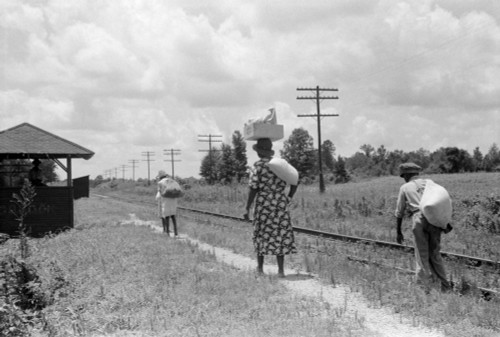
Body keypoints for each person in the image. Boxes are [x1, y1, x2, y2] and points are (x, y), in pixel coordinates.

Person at [244, 138, 298, 277]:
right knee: (279, 234)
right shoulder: (280, 165)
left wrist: (247, 208)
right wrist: (288, 197)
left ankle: (260, 269)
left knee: (261, 234)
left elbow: (253, 188)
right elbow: (295, 181)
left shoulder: (259, 166)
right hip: (280, 203)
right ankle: (281, 271)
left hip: (264, 204)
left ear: (259, 152)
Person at [395, 162, 451, 291]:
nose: (403, 178)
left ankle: (425, 288)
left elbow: (399, 212)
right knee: (435, 254)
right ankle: (445, 286)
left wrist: (398, 231)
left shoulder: (405, 187)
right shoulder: (430, 184)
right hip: (434, 219)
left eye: (403, 175)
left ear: (407, 174)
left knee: (422, 254)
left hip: (418, 218)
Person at [156, 170, 179, 237]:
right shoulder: (172, 180)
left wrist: (157, 198)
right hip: (174, 200)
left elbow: (159, 192)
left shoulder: (160, 182)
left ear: (160, 177)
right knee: (173, 216)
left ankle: (167, 232)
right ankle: (176, 232)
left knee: (166, 216)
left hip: (165, 200)